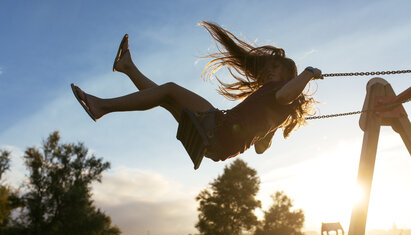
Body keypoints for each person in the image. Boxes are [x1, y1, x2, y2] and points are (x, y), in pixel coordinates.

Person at [71, 21, 323, 162]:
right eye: (267, 67)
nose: (269, 72)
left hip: (218, 128)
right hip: (217, 145)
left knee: (170, 89)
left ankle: (101, 106)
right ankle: (127, 66)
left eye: (276, 68)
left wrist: (309, 72)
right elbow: (259, 149)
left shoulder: (280, 91)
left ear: (288, 75)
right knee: (166, 98)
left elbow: (285, 94)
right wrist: (270, 132)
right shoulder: (276, 111)